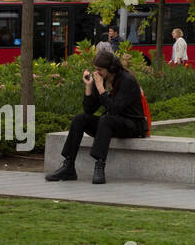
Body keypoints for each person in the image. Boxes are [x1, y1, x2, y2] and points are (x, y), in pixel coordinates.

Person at [45, 50, 147, 185]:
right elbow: (89, 110)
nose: (97, 73)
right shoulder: (102, 80)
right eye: (95, 69)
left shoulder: (127, 80)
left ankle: (99, 166)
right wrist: (89, 87)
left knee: (106, 119)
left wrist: (100, 89)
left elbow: (114, 109)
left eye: (100, 69)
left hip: (131, 125)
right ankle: (68, 167)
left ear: (110, 68)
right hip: (111, 123)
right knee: (79, 119)